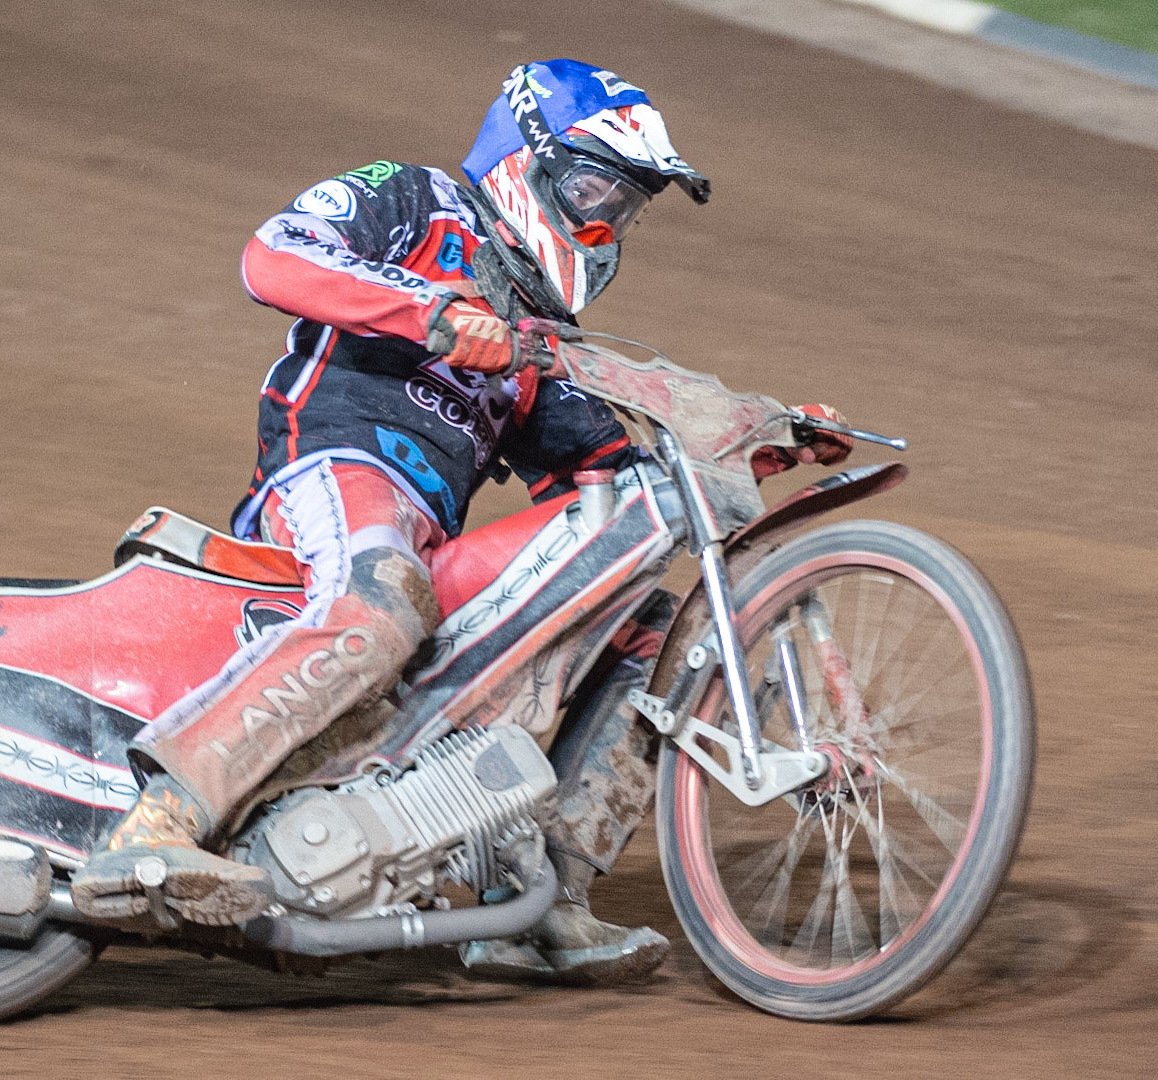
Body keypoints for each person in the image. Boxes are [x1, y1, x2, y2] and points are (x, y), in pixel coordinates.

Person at [71, 60, 850, 984]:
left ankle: (540, 902)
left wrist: (757, 444)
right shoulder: (413, 198)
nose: (604, 224)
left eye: (626, 206)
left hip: (425, 542)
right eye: (595, 187)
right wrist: (436, 317)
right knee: (385, 592)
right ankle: (160, 823)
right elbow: (272, 256)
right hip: (331, 475)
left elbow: (611, 475)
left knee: (639, 619)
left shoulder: (531, 342)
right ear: (527, 159)